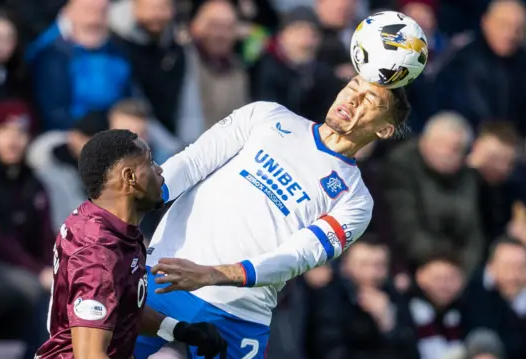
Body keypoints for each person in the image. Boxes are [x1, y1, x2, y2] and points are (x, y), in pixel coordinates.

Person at [134, 75, 412, 358]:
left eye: (370, 100)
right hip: (164, 275)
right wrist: (132, 204)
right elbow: (193, 162)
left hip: (238, 313)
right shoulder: (267, 115)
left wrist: (212, 274)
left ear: (385, 129)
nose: (352, 99)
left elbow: (294, 258)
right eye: (353, 87)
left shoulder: (356, 200)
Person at [36, 130, 227, 359]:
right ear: (130, 177)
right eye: (150, 162)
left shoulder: (111, 226)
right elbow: (89, 355)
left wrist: (179, 330)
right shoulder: (98, 252)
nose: (159, 169)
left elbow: (120, 307)